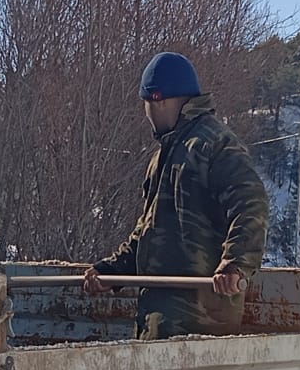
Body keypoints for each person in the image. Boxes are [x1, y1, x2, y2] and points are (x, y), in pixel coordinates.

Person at [84, 51, 271, 339]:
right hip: (159, 320)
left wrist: (235, 263)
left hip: (201, 324)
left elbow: (252, 203)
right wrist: (110, 271)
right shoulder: (164, 156)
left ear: (158, 99)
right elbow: (149, 234)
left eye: (147, 104)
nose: (146, 113)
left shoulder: (214, 145)